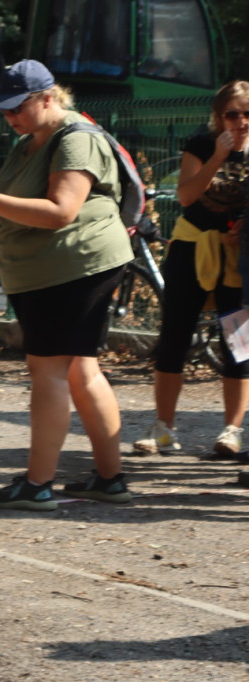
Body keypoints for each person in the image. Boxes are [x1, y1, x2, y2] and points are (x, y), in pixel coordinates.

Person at [0, 59, 134, 510]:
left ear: (48, 98)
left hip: (73, 265)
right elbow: (10, 206)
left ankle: (37, 485)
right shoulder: (31, 140)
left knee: (48, 370)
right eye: (4, 109)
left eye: (17, 107)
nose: (9, 117)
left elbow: (60, 211)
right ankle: (109, 480)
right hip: (53, 268)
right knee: (79, 370)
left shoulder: (76, 139)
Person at [134, 80, 249, 458]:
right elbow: (186, 195)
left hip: (237, 255)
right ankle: (164, 428)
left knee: (239, 343)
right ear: (218, 117)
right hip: (192, 245)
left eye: (248, 113)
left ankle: (232, 431)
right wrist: (218, 156)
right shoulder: (201, 145)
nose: (241, 121)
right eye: (233, 113)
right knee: (175, 336)